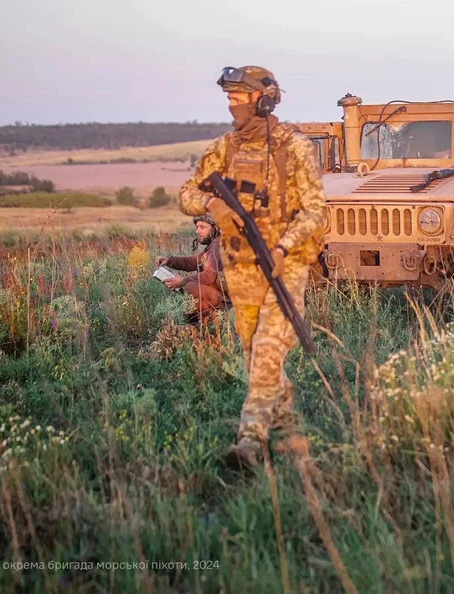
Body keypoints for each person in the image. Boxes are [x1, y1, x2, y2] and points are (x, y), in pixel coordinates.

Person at [178, 65, 327, 472]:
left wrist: (283, 247)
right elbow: (187, 192)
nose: (232, 107)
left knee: (266, 350)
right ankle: (293, 444)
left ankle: (249, 441)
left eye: (239, 100)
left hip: (284, 266)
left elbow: (316, 212)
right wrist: (212, 205)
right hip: (240, 268)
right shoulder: (222, 149)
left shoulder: (293, 148)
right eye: (229, 100)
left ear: (264, 100)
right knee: (256, 360)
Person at [156, 214, 230, 324]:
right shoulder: (213, 246)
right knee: (190, 289)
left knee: (191, 287)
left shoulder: (219, 246)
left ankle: (212, 322)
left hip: (228, 302)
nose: (197, 231)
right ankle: (197, 324)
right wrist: (169, 260)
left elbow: (209, 276)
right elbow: (192, 261)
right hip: (220, 297)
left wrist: (182, 281)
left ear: (216, 227)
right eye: (197, 227)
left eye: (203, 227)